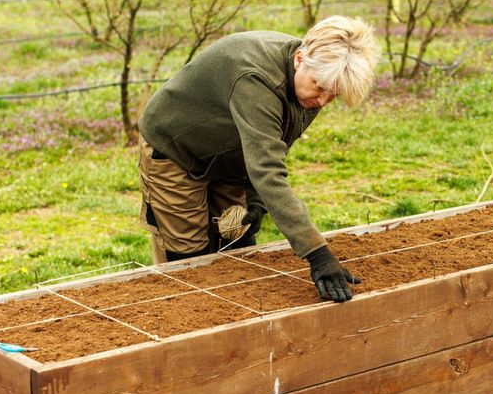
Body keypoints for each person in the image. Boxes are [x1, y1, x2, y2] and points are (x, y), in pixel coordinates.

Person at [137, 16, 381, 302]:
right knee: (189, 258)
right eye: (320, 87)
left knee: (235, 242)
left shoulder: (311, 86)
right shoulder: (257, 79)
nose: (323, 101)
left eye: (334, 95)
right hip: (177, 150)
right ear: (300, 59)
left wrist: (256, 201)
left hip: (230, 151)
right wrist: (318, 255)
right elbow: (267, 170)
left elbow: (273, 144)